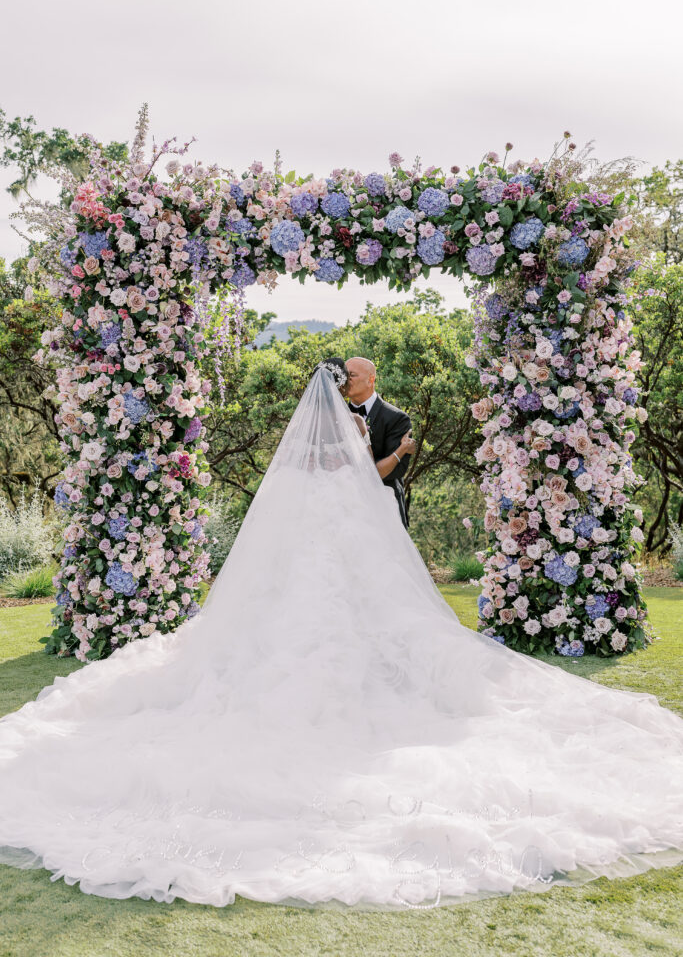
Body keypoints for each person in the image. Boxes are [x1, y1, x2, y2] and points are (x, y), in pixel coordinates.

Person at [0, 361, 682, 912]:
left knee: (310, 619)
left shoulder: (299, 468)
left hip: (318, 557)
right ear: (340, 396)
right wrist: (390, 458)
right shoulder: (350, 453)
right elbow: (362, 493)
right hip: (346, 548)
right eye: (348, 382)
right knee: (359, 615)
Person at [346, 357, 415, 528]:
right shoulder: (335, 415)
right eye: (344, 375)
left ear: (371, 379)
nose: (346, 381)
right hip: (345, 504)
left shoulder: (397, 418)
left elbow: (397, 470)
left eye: (352, 375)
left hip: (384, 504)